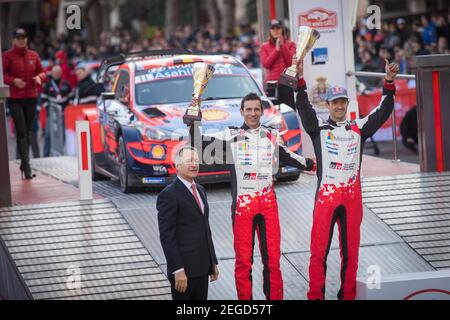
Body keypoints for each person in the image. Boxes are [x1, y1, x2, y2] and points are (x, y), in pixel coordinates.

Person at [189, 93, 315, 300]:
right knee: (243, 261)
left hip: (268, 207)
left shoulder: (271, 135)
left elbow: (289, 156)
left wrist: (312, 164)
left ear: (262, 111)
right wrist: (195, 117)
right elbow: (198, 143)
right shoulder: (231, 136)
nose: (253, 113)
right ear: (241, 112)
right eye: (248, 109)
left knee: (273, 261)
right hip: (242, 208)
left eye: (257, 109)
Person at [292, 59, 399, 300]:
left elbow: (383, 111)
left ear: (347, 104)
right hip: (326, 201)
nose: (339, 106)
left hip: (352, 201)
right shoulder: (318, 128)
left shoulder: (358, 127)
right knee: (318, 252)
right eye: (335, 103)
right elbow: (304, 107)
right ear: (328, 104)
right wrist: (299, 81)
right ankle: (315, 296)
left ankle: (347, 295)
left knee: (351, 253)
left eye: (342, 102)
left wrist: (389, 83)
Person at [157, 146, 219, 300]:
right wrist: (178, 270)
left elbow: (205, 229)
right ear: (177, 165)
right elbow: (167, 237)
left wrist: (212, 262)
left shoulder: (200, 189)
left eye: (196, 161)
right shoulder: (168, 195)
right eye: (189, 161)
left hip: (203, 269)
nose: (194, 164)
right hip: (183, 273)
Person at [2, 28, 46, 179]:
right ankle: (26, 167)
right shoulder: (7, 56)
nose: (21, 39)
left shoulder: (34, 55)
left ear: (27, 39)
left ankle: (24, 163)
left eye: (24, 37)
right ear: (13, 39)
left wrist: (40, 77)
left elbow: (43, 72)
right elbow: (3, 75)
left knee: (27, 132)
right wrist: (14, 81)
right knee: (21, 131)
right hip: (15, 99)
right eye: (18, 37)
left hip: (31, 98)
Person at [260, 19, 296, 107]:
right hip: (272, 84)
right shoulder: (264, 46)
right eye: (273, 28)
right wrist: (276, 50)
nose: (276, 31)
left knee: (289, 111)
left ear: (282, 29)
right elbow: (266, 64)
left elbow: (291, 63)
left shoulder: (291, 44)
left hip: (287, 82)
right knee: (273, 112)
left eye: (278, 28)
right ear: (270, 31)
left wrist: (282, 45)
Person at [40, 65, 72, 157]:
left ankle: (60, 154)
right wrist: (48, 109)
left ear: (61, 73)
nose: (56, 74)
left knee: (62, 135)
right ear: (52, 73)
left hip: (63, 115)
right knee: (48, 135)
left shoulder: (66, 84)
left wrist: (67, 109)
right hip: (52, 114)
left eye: (58, 72)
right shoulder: (48, 85)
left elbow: (71, 97)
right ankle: (46, 155)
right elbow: (43, 99)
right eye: (55, 72)